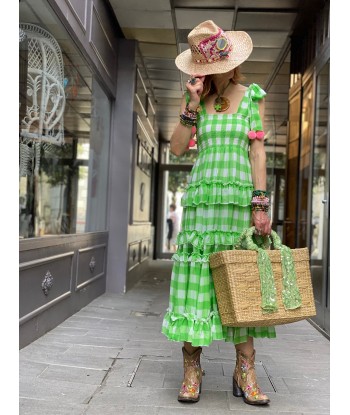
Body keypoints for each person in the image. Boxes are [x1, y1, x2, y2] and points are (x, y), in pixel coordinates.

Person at [161, 20, 273, 405]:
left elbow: (257, 153)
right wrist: (192, 105)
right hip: (202, 205)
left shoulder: (252, 96)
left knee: (239, 282)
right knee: (198, 281)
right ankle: (192, 369)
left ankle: (246, 370)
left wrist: (260, 203)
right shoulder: (194, 99)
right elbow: (176, 149)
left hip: (239, 204)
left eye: (215, 64)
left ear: (230, 61)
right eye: (203, 66)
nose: (209, 72)